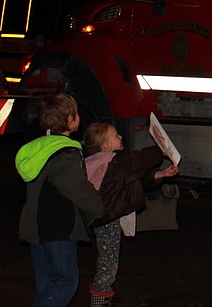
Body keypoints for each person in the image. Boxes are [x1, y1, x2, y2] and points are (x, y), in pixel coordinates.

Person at [15, 93, 104, 307]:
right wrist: (99, 207)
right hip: (58, 228)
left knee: (46, 284)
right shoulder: (65, 153)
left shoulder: (38, 148)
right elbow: (77, 188)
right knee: (66, 282)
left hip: (37, 227)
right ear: (71, 120)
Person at [83, 121, 180, 307]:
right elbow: (141, 159)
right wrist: (162, 148)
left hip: (101, 217)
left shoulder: (97, 161)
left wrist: (160, 175)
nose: (120, 137)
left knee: (108, 256)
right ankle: (100, 299)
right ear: (105, 145)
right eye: (115, 136)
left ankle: (105, 297)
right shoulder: (115, 159)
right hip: (107, 219)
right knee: (108, 260)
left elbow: (131, 180)